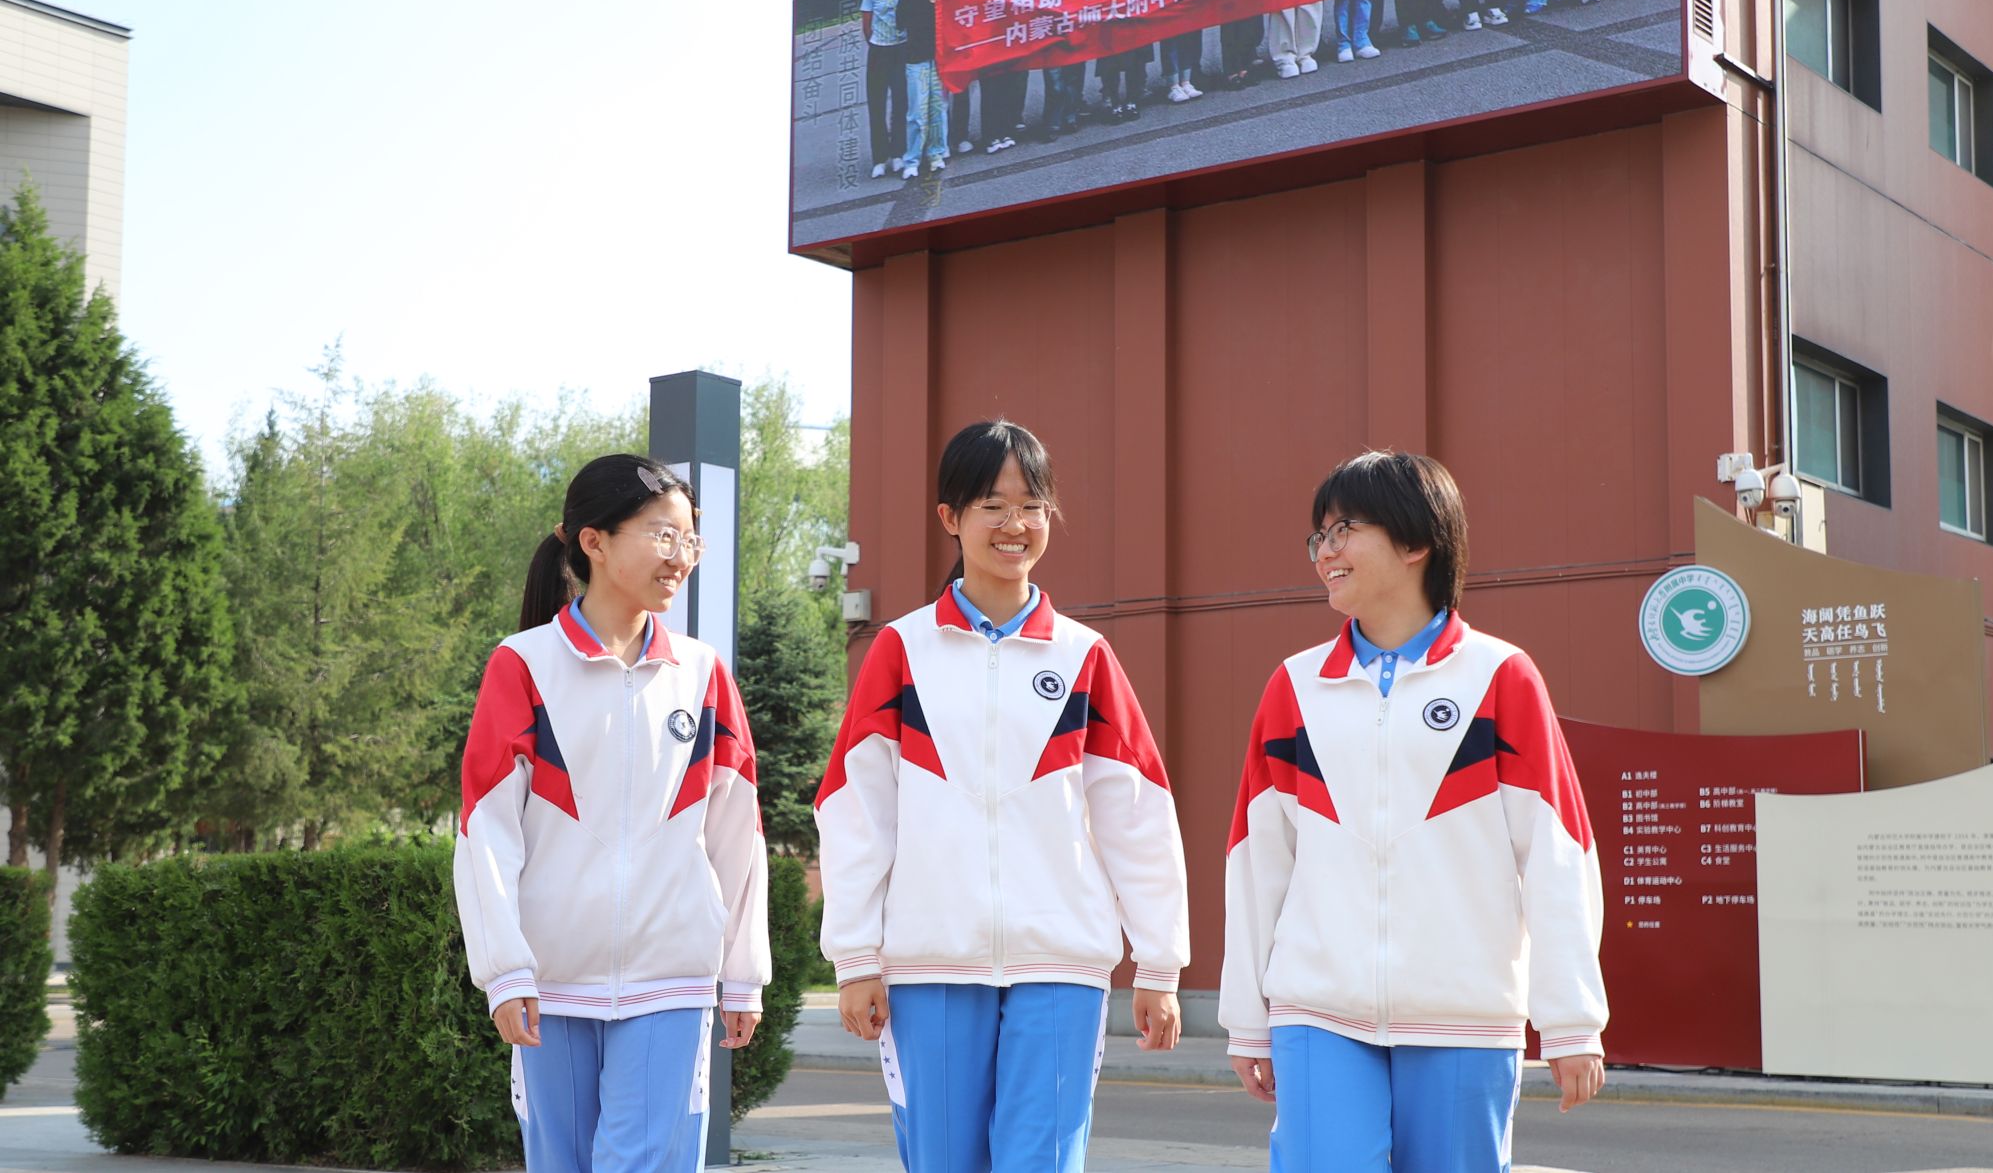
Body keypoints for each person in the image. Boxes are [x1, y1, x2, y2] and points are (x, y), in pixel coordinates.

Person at [816, 420, 1191, 1173]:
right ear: (950, 517)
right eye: (992, 504)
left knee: (1040, 1162)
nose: (1014, 524)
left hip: (1062, 964)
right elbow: (857, 809)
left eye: (1031, 505)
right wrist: (855, 955)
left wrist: (1159, 964)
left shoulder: (1084, 656)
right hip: (930, 966)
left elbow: (1138, 812)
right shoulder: (902, 650)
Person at [1219, 450, 1608, 1172]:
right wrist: (1247, 1017)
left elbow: (1556, 851)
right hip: (1318, 1009)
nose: (1324, 551)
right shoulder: (1295, 688)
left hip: (1464, 1012)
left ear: (1415, 541)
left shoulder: (1500, 676)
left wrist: (1572, 1019)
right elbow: (1257, 858)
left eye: (1344, 530)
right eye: (1318, 536)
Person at [455, 454, 768, 1173]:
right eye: (663, 535)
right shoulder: (523, 665)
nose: (681, 556)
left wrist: (744, 971)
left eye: (690, 539)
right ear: (593, 541)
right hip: (550, 982)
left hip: (672, 978)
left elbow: (738, 832)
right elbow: (485, 830)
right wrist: (506, 970)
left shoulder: (702, 672)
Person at [899, 0, 952, 178]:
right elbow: (901, 18)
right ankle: (911, 159)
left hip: (940, 57)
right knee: (917, 112)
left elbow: (957, 13)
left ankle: (936, 153)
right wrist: (926, 3)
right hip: (917, 57)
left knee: (938, 108)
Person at [975, 0, 1029, 153]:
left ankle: (1007, 130)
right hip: (989, 38)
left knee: (1010, 84)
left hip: (1013, 34)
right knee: (991, 87)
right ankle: (991, 135)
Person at [859, 0, 911, 177]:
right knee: (877, 104)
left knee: (901, 101)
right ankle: (880, 158)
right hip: (879, 51)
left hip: (902, 48)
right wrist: (877, 43)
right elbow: (867, 25)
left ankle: (899, 153)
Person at [1035, 0, 1086, 138]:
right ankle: (1052, 121)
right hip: (1052, 23)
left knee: (1074, 74)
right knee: (1054, 78)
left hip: (1076, 20)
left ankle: (1071, 115)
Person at [938, 0, 984, 150]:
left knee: (965, 83)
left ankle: (961, 136)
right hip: (945, 31)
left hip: (968, 28)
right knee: (944, 86)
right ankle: (942, 139)